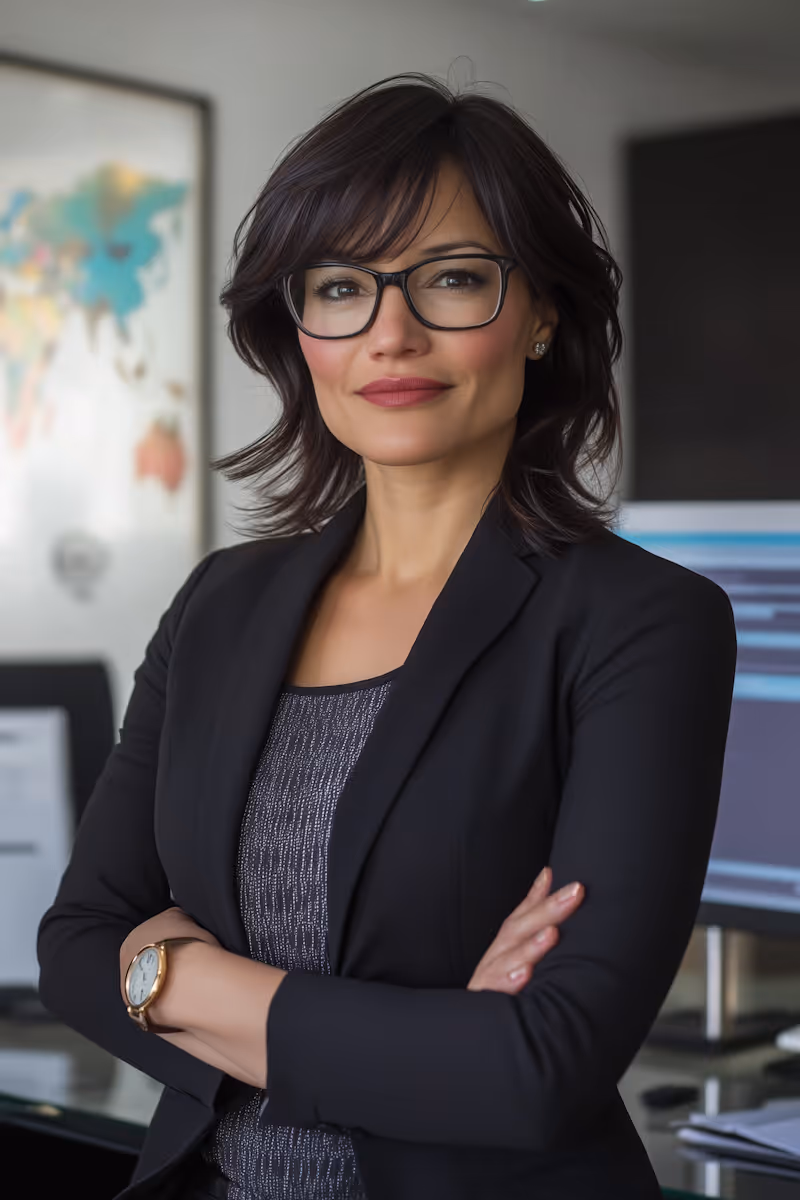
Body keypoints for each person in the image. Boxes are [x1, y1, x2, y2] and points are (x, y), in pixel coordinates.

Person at [37, 71, 738, 1200]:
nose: (391, 334)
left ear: (543, 313)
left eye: (453, 279)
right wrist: (421, 1039)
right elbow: (72, 946)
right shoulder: (220, 604)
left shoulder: (642, 623)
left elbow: (533, 1071)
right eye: (340, 286)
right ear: (297, 325)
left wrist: (169, 974)